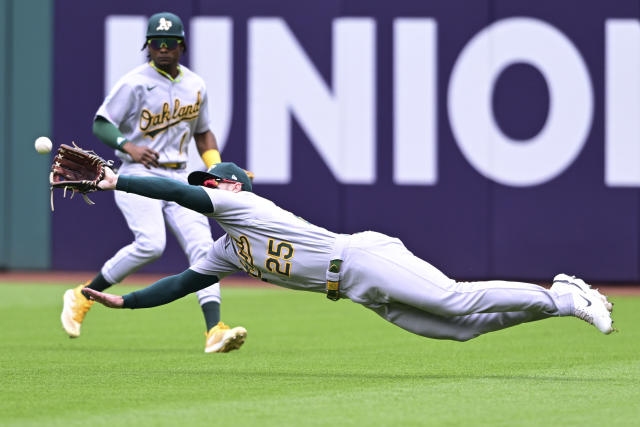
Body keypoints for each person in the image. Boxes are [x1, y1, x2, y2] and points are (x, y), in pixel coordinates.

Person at [82, 162, 616, 342]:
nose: (207, 187)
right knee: (462, 328)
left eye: (214, 183)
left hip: (361, 258)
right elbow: (180, 283)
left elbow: (176, 191)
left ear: (233, 188)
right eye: (207, 184)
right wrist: (126, 304)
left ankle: (562, 295)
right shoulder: (228, 250)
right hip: (356, 290)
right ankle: (559, 304)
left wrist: (116, 182)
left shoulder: (240, 208)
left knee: (455, 300)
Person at [60, 12, 247, 353]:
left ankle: (214, 330)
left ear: (181, 46)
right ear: (147, 46)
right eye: (156, 43)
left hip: (179, 173)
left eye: (170, 43)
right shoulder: (134, 82)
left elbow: (203, 133)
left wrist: (215, 170)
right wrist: (127, 145)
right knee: (151, 244)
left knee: (204, 250)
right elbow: (102, 124)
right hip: (137, 173)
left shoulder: (195, 85)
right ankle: (82, 295)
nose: (162, 49)